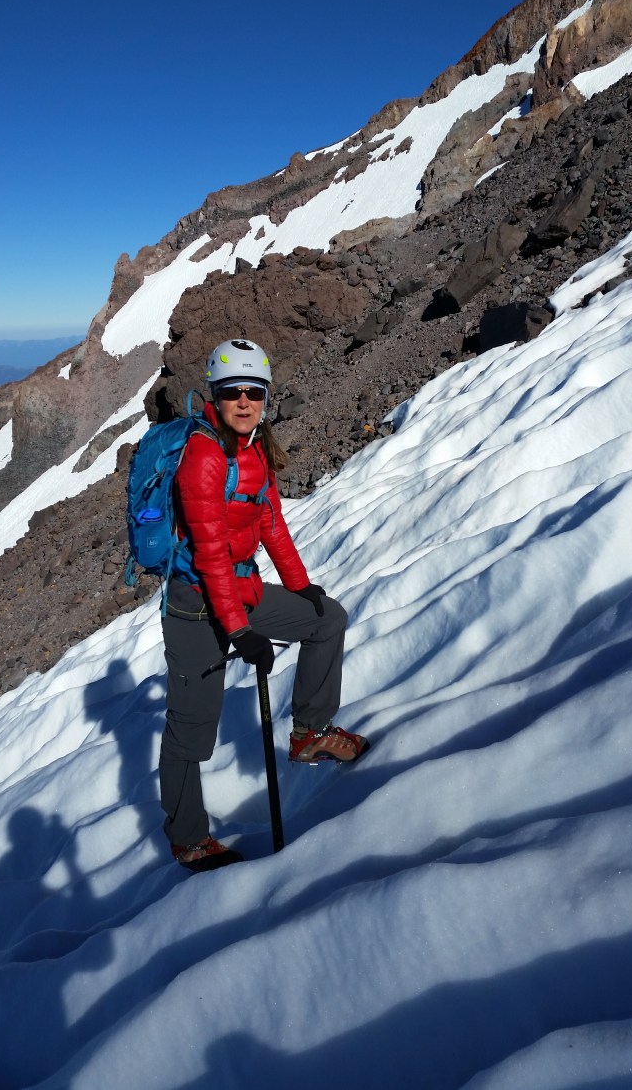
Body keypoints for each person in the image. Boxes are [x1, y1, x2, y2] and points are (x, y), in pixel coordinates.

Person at [159, 338, 369, 872]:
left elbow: (270, 521)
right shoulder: (203, 459)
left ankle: (309, 734)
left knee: (328, 620)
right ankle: (188, 839)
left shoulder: (253, 448)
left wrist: (302, 587)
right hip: (196, 606)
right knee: (192, 727)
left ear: (268, 397)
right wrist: (238, 630)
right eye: (233, 392)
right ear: (216, 395)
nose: (244, 401)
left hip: (241, 591)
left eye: (255, 391)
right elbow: (208, 554)